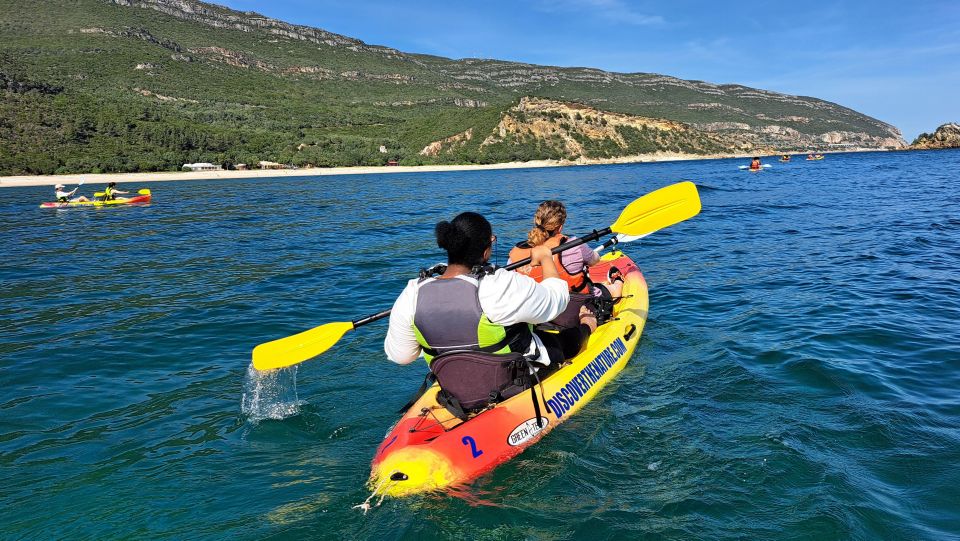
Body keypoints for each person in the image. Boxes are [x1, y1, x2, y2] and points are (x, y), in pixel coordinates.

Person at [384, 212, 595, 372]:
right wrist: (546, 258)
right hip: (512, 376)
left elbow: (401, 356)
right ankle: (588, 325)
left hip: (454, 381)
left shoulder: (412, 293)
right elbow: (556, 302)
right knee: (568, 338)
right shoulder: (500, 285)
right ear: (486, 250)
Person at [508, 200, 624, 301]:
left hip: (536, 306)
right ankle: (617, 282)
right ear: (560, 227)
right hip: (574, 304)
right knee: (610, 289)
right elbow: (594, 260)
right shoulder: (574, 245)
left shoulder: (516, 251)